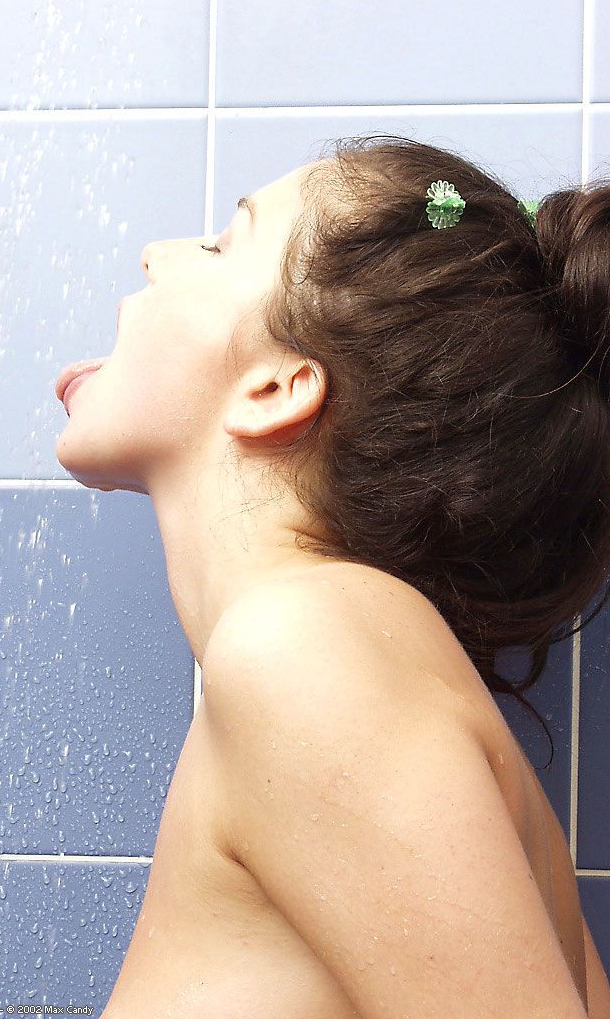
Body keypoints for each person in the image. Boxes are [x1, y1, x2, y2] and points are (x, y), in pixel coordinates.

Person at [55, 134, 610, 1017]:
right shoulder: (330, 652)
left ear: (277, 388)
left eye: (220, 246)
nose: (156, 254)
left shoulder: (303, 649)